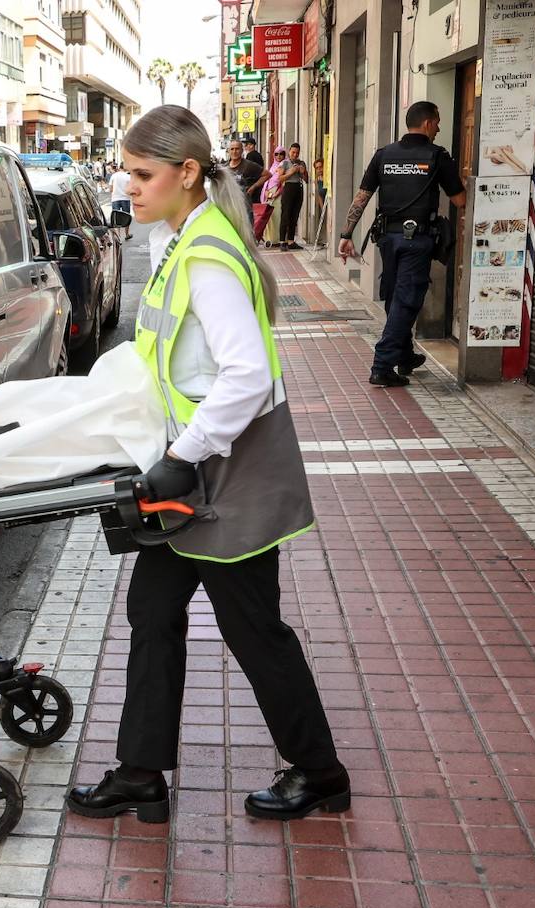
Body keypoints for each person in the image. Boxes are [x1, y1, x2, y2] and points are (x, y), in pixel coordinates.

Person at [66, 105, 346, 825]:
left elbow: (245, 375)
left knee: (253, 626)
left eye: (142, 173)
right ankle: (141, 772)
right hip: (191, 469)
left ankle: (320, 771)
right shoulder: (177, 240)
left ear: (187, 173)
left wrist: (181, 455)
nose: (128, 185)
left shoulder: (207, 255)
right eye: (127, 172)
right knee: (152, 610)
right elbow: (163, 358)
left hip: (227, 473)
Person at [340, 101, 466, 387]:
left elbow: (362, 196)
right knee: (407, 299)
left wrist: (346, 235)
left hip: (388, 239)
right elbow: (460, 200)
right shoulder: (437, 156)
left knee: (395, 295)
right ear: (427, 123)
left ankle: (405, 355)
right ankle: (382, 365)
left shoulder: (384, 155)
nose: (439, 127)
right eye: (437, 122)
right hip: (417, 239)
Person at [276, 142, 309, 250]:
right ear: (289, 152)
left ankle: (291, 241)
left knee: (294, 216)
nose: (295, 155)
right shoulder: (284, 163)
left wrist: (303, 172)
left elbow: (307, 180)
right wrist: (291, 172)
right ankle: (282, 241)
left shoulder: (301, 163)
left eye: (297, 153)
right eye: (293, 152)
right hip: (288, 188)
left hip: (298, 188)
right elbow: (280, 179)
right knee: (286, 215)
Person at [250, 147, 285, 241]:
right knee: (270, 217)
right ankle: (270, 239)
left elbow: (283, 183)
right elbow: (268, 180)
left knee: (278, 216)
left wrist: (277, 193)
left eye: (281, 154)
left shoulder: (284, 165)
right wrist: (266, 192)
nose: (279, 156)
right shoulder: (273, 166)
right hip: (269, 193)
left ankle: (277, 239)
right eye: (276, 154)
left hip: (278, 194)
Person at [109, 162, 133, 239]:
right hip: (125, 198)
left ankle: (118, 236)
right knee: (126, 217)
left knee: (116, 218)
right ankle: (127, 234)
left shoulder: (114, 176)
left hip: (115, 198)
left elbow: (110, 189)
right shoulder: (128, 177)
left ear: (119, 167)